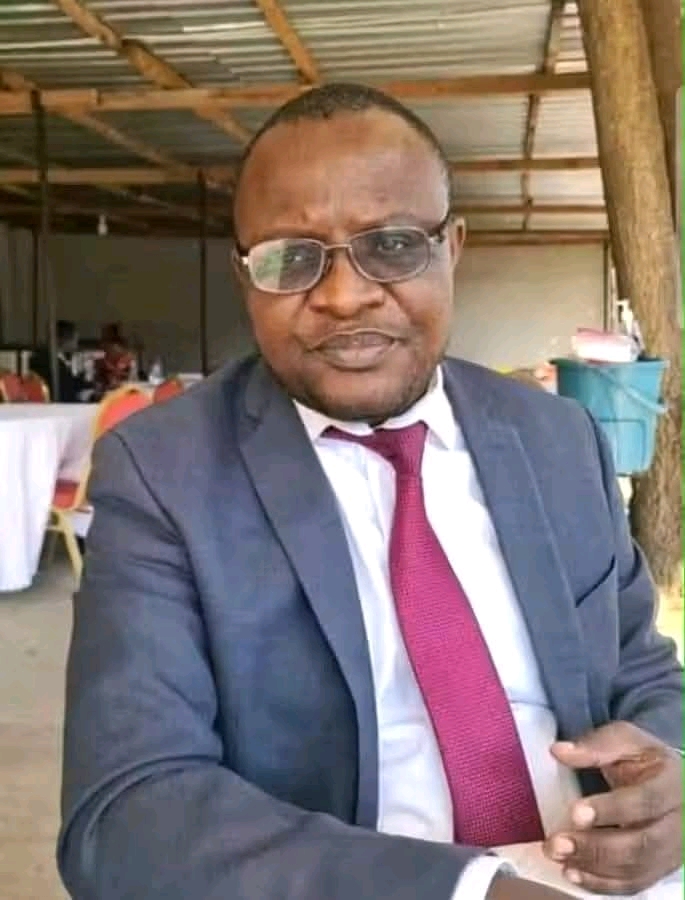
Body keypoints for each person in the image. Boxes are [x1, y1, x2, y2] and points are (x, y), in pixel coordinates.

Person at [59, 84, 683, 900]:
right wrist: (471, 892)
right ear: (245, 277)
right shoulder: (163, 474)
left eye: (391, 245)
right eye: (289, 258)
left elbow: (640, 669)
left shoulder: (556, 438)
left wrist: (669, 773)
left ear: (452, 249)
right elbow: (125, 812)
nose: (344, 295)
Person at [29, 319, 91, 403]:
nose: (76, 344)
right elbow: (66, 392)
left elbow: (70, 383)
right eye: (75, 339)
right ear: (65, 339)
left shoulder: (43, 358)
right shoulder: (52, 363)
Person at [93, 321, 134, 397]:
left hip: (124, 393)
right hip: (105, 394)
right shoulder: (100, 360)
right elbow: (97, 381)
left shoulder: (127, 359)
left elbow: (132, 380)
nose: (103, 344)